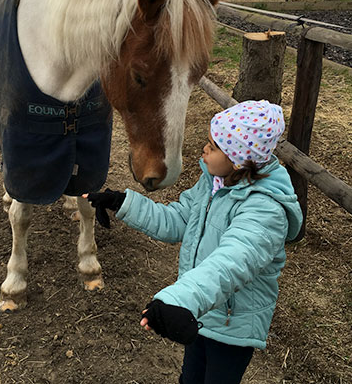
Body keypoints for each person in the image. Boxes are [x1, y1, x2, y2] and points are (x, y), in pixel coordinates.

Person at [86, 100, 303, 384]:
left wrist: (180, 299)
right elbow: (177, 220)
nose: (204, 149)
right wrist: (123, 203)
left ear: (239, 159)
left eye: (213, 146)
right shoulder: (214, 183)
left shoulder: (266, 211)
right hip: (201, 314)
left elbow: (231, 262)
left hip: (231, 327)